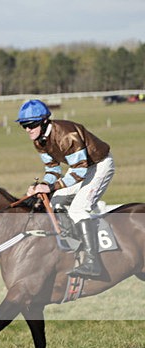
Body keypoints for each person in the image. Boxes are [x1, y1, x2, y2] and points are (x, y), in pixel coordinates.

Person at [17, 99, 114, 277]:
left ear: (44, 121)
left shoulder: (67, 135)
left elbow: (79, 171)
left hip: (99, 165)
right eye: (23, 125)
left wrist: (52, 186)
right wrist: (42, 186)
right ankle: (76, 248)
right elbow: (53, 170)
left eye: (31, 125)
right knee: (56, 202)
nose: (27, 130)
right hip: (81, 168)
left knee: (78, 210)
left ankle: (93, 263)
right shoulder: (39, 141)